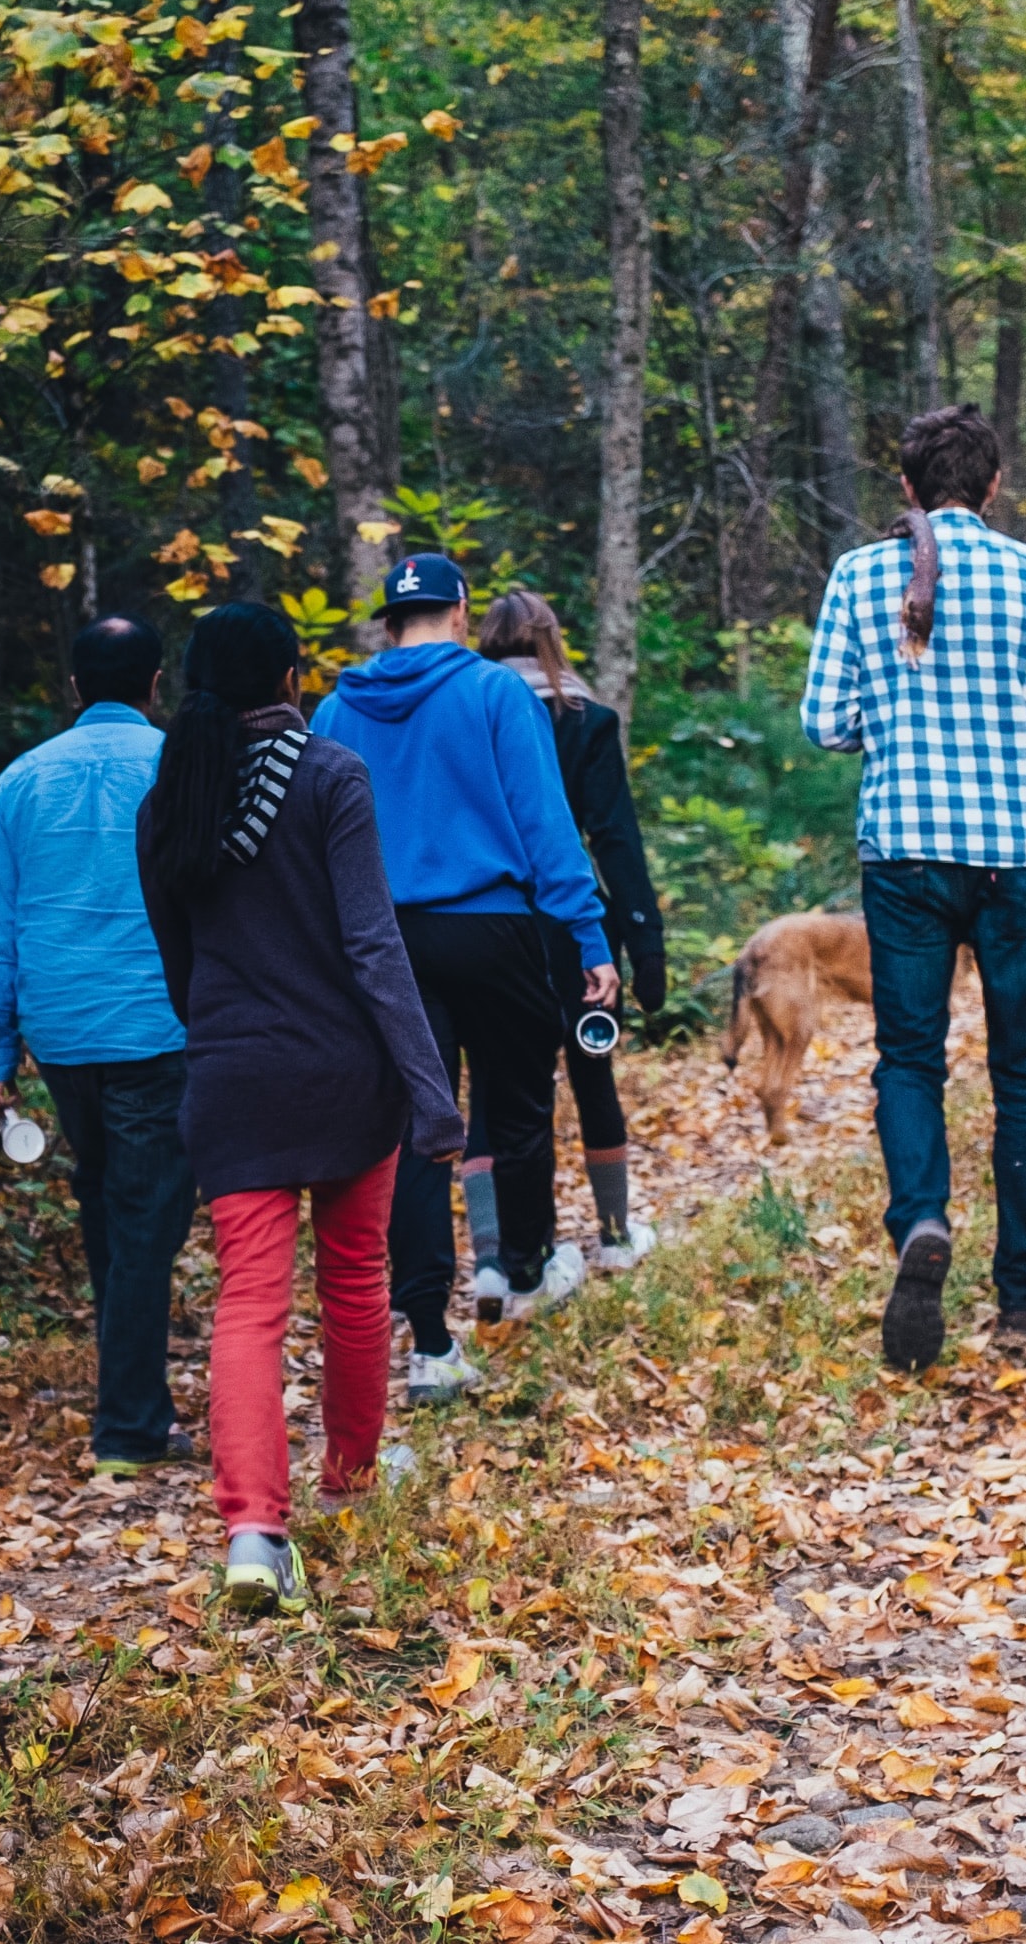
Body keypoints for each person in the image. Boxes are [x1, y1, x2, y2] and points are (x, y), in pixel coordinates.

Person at [134, 602, 465, 1616]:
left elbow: (179, 965)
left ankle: (252, 1531)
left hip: (233, 1081)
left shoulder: (169, 801)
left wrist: (230, 1035)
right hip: (341, 1077)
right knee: (356, 1280)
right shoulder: (329, 776)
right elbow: (374, 944)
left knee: (247, 1303)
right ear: (289, 678)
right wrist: (429, 1084)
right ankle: (352, 1483)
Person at [800, 404, 1026, 1373]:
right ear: (995, 484)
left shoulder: (858, 575)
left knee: (909, 1058)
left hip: (906, 855)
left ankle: (923, 1219)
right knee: (1024, 1074)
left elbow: (824, 722)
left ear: (907, 488)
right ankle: (1025, 1293)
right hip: (1015, 853)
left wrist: (893, 723)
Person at [311, 555, 619, 1396]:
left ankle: (429, 1340)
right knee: (515, 1105)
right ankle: (521, 1274)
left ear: (386, 623)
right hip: (493, 928)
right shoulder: (495, 694)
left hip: (384, 942)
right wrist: (589, 936)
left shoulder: (337, 708)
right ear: (458, 612)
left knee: (418, 1126)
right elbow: (545, 824)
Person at [0, 616, 196, 1481]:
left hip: (62, 1031)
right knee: (145, 1219)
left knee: (108, 1199)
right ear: (155, 682)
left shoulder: (21, 780)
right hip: (155, 1025)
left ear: (74, 687)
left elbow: (2, 923)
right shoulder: (178, 766)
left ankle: (132, 1392)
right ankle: (131, 1424)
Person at [471, 590, 668, 1267]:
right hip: (575, 925)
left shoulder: (465, 715)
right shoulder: (587, 720)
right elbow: (615, 839)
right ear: (552, 641)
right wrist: (646, 940)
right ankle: (614, 1236)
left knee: (492, 1088)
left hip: (487, 923)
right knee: (592, 1074)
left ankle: (496, 1259)